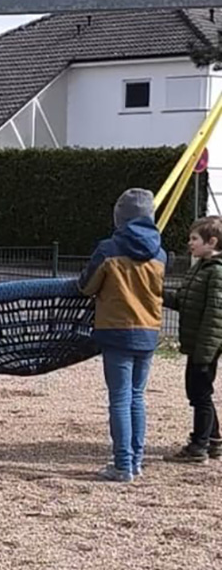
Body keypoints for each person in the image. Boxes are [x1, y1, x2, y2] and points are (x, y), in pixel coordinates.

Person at [78, 188, 166, 481]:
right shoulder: (160, 254)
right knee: (137, 397)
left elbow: (86, 286)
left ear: (119, 217)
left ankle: (122, 464)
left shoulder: (108, 249)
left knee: (119, 398)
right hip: (149, 330)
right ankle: (136, 461)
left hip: (116, 330)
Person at [163, 216, 222, 464]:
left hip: (204, 346)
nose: (190, 243)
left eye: (194, 239)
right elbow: (183, 301)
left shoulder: (216, 272)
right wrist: (158, 293)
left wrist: (205, 353)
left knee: (200, 394)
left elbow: (215, 316)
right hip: (197, 344)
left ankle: (199, 446)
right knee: (199, 391)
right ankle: (214, 440)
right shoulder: (200, 268)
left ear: (212, 242)